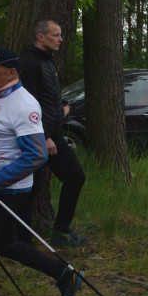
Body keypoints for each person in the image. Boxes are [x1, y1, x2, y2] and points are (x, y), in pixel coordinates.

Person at [0, 47, 82, 296]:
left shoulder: (23, 104)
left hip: (6, 190)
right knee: (6, 244)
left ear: (11, 73)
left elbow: (35, 156)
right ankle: (64, 275)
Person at [17, 19, 89, 247]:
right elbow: (28, 103)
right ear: (41, 37)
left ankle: (60, 231)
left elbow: (49, 95)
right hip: (35, 136)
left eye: (60, 35)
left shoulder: (48, 61)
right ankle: (20, 238)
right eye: (55, 35)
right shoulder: (28, 62)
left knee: (75, 177)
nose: (60, 39)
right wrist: (43, 136)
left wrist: (63, 106)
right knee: (29, 188)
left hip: (52, 133)